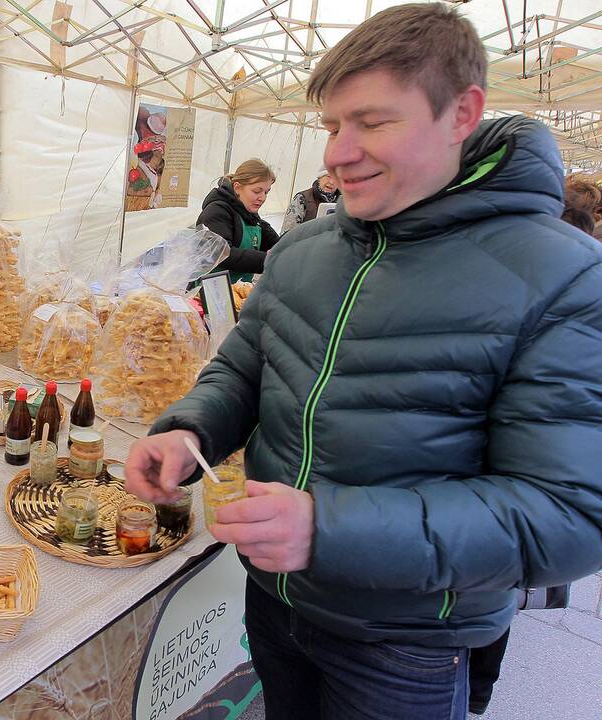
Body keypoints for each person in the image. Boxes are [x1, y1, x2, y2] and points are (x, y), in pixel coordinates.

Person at [124, 4, 602, 720]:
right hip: (275, 603)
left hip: (402, 640)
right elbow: (244, 371)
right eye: (331, 126)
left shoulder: (563, 277)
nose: (337, 154)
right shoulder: (305, 251)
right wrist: (190, 431)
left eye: (373, 123)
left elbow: (567, 515)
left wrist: (328, 528)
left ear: (461, 113)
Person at [196, 159, 280, 282]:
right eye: (257, 191)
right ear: (237, 188)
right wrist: (268, 259)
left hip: (238, 292)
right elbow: (222, 254)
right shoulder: (216, 212)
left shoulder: (252, 217)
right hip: (211, 291)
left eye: (266, 192)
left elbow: (278, 244)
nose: (262, 198)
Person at [280, 169, 341, 233]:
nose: (332, 182)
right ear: (319, 178)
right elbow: (287, 233)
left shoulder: (344, 202)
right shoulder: (302, 198)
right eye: (328, 177)